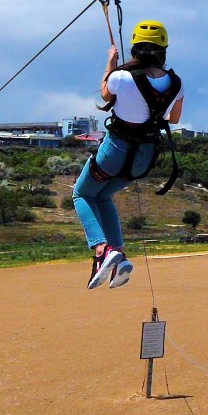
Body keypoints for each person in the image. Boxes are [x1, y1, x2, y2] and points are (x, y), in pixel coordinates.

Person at [72, 20, 185, 291]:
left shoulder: (121, 77)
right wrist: (152, 114)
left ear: (136, 49)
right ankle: (118, 255)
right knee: (103, 195)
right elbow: (173, 118)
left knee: (82, 194)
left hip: (115, 151)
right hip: (142, 160)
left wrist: (111, 61)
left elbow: (104, 93)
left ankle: (100, 249)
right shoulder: (176, 84)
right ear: (163, 50)